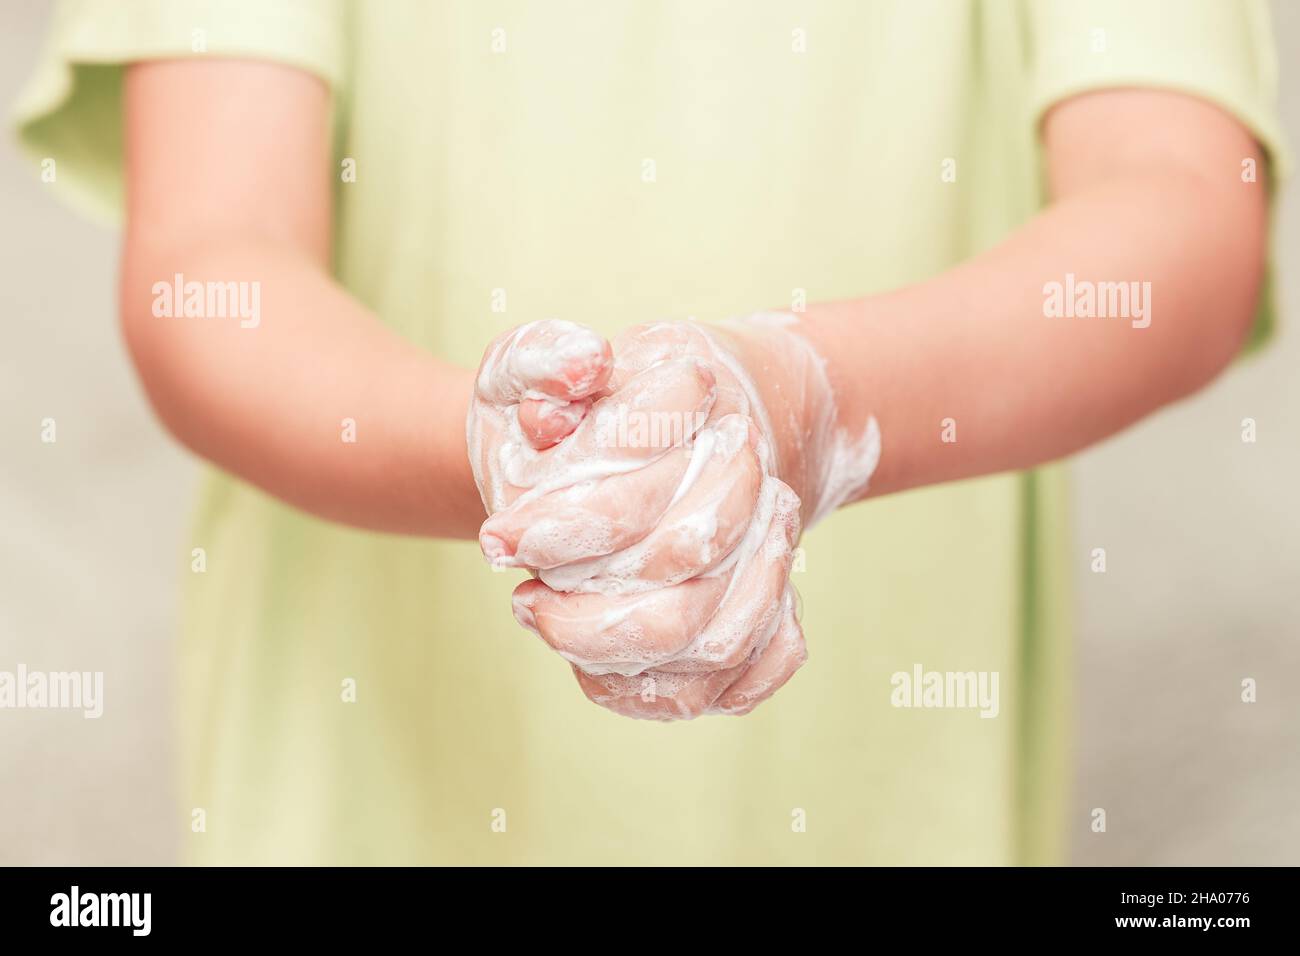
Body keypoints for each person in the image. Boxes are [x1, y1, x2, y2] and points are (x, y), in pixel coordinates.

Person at [13, 0, 1288, 864]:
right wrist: (492, 451)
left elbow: (1179, 213)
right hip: (367, 794)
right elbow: (211, 265)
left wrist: (810, 399)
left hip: (883, 796)